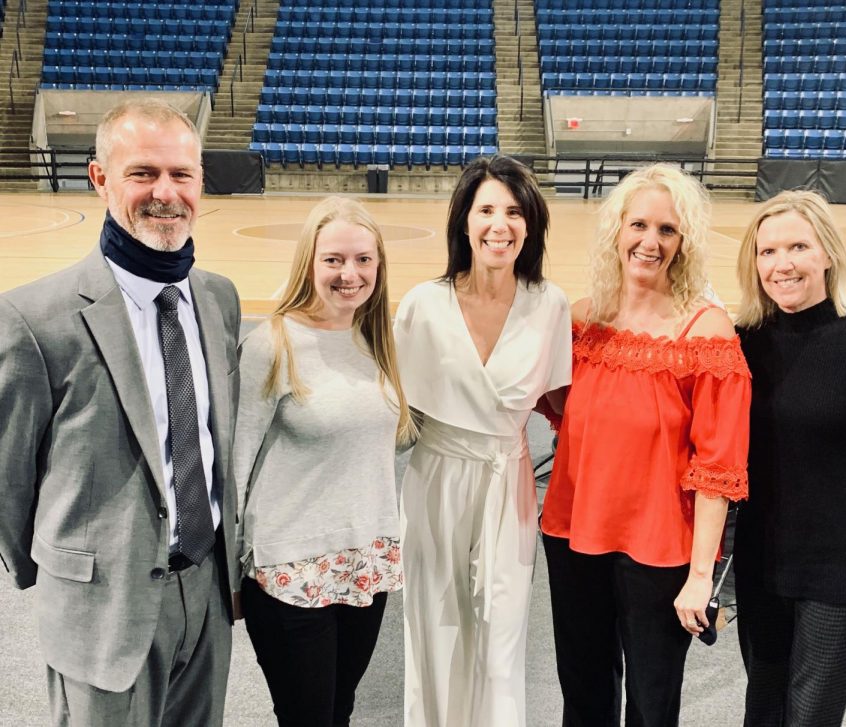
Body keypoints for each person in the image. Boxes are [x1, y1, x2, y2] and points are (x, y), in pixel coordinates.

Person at [0, 98, 241, 726]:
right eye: (143, 173)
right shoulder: (33, 319)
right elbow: (7, 479)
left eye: (181, 174)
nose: (166, 193)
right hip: (102, 607)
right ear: (100, 178)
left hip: (206, 589)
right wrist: (66, 572)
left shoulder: (218, 299)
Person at [539, 164, 751, 726]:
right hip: (573, 531)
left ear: (684, 244)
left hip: (660, 547)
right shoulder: (582, 318)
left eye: (667, 230)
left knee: (653, 703)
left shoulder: (705, 331)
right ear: (616, 230)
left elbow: (718, 467)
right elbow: (561, 410)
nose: (649, 242)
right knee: (582, 688)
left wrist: (701, 575)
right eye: (639, 225)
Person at [394, 155, 571, 727]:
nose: (500, 224)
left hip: (508, 477)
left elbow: (568, 409)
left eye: (514, 212)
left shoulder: (551, 305)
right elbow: (393, 411)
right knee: (435, 629)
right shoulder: (423, 304)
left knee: (502, 637)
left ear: (531, 224)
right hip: (436, 475)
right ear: (464, 222)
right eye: (486, 209)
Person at [234, 196, 414, 727]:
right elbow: (235, 469)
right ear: (309, 264)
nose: (349, 274)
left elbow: (386, 438)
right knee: (307, 716)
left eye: (363, 260)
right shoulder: (273, 344)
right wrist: (227, 577)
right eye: (333, 259)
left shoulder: (377, 341)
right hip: (289, 568)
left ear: (379, 266)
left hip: (365, 561)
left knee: (340, 711)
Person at [733, 190, 846, 727]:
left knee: (809, 716)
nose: (781, 265)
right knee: (763, 706)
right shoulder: (740, 344)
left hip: (844, 569)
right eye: (767, 252)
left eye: (797, 247)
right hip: (762, 562)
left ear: (827, 252)